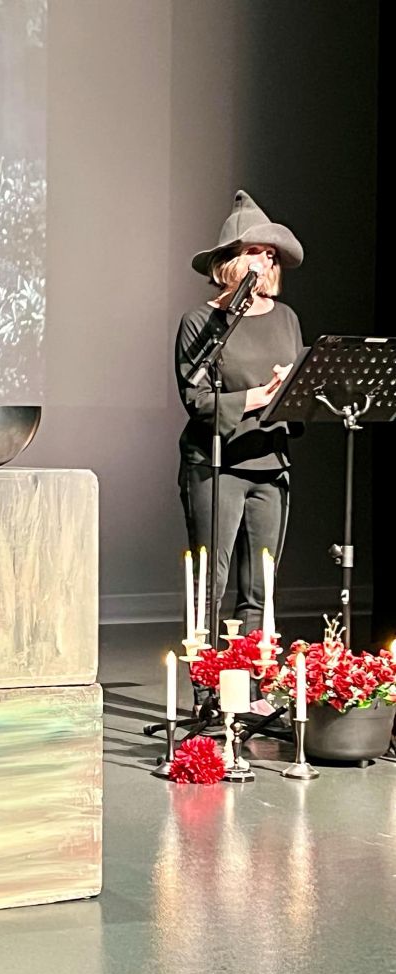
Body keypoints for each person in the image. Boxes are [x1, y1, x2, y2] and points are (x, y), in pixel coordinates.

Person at [175, 189, 304, 708]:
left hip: (270, 462)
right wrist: (256, 396)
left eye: (271, 254)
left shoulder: (286, 318)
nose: (266, 261)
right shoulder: (201, 322)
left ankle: (251, 692)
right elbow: (196, 398)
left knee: (260, 587)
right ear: (229, 260)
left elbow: (296, 393)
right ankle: (209, 693)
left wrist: (292, 393)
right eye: (256, 251)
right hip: (218, 465)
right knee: (212, 580)